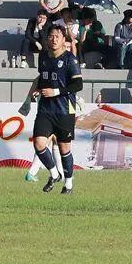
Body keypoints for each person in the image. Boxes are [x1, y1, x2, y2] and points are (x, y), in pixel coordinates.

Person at [28, 24, 83, 194]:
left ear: (63, 39)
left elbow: (78, 84)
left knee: (64, 149)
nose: (53, 40)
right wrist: (38, 90)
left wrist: (56, 91)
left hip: (64, 110)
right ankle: (54, 173)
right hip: (45, 109)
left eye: (57, 37)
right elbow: (43, 79)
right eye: (50, 36)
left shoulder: (70, 60)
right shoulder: (44, 56)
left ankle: (68, 185)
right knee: (38, 143)